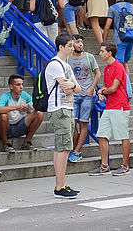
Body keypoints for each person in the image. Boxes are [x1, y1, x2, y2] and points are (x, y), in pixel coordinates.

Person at [45, 34, 81, 198]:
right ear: (61, 47)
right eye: (70, 46)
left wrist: (71, 85)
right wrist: (70, 86)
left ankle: (61, 184)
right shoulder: (55, 65)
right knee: (64, 147)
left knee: (63, 147)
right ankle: (60, 187)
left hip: (68, 106)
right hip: (59, 107)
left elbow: (77, 88)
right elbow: (65, 86)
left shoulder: (66, 66)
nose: (72, 49)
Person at [89, 41, 132, 176]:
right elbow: (106, 86)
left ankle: (125, 165)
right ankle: (104, 165)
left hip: (120, 105)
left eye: (102, 51)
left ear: (109, 53)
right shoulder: (107, 68)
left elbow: (113, 88)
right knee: (102, 134)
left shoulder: (118, 67)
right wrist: (101, 91)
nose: (100, 53)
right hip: (110, 105)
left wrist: (102, 92)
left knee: (123, 136)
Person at [67, 34, 100, 163]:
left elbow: (97, 74)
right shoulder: (68, 59)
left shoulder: (89, 57)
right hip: (73, 94)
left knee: (84, 123)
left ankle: (77, 151)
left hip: (87, 94)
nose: (80, 44)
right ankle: (72, 149)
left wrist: (91, 89)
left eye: (81, 42)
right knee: (73, 123)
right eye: (77, 42)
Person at [0, 74, 44, 152]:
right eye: (18, 85)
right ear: (11, 86)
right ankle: (5, 144)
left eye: (22, 84)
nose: (21, 87)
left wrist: (30, 109)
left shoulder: (24, 95)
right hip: (5, 128)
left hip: (20, 126)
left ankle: (26, 142)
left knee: (39, 113)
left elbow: (36, 104)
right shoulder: (5, 96)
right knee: (3, 115)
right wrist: (16, 108)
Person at [102, 0, 133, 75]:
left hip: (120, 39)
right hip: (131, 37)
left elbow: (107, 27)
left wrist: (104, 41)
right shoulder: (131, 7)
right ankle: (127, 85)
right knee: (125, 63)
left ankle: (121, 86)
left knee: (118, 64)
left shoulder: (112, 8)